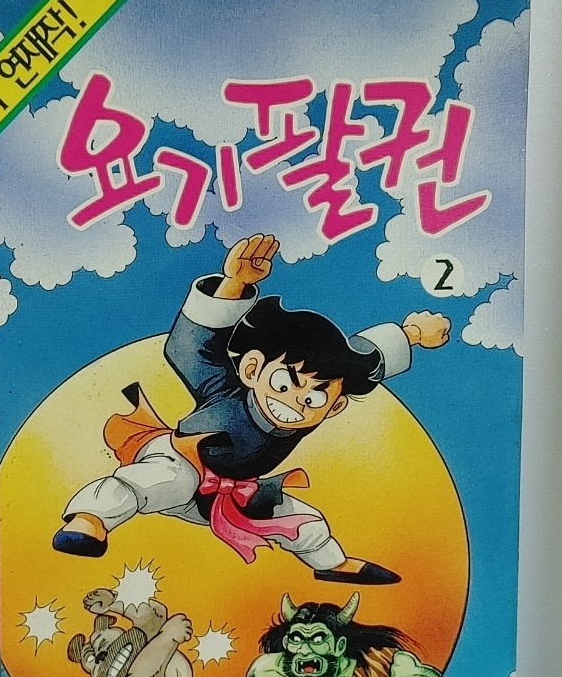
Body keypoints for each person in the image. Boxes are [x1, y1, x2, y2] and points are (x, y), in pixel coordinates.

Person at [53, 234, 449, 585]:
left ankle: (333, 563)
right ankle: (90, 518)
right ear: (253, 369)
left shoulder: (313, 409)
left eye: (315, 398)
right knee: (163, 481)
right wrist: (234, 284)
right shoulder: (222, 386)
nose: (295, 401)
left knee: (299, 518)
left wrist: (411, 335)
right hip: (179, 462)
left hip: (231, 495)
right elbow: (191, 345)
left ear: (334, 407)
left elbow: (359, 360)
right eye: (285, 384)